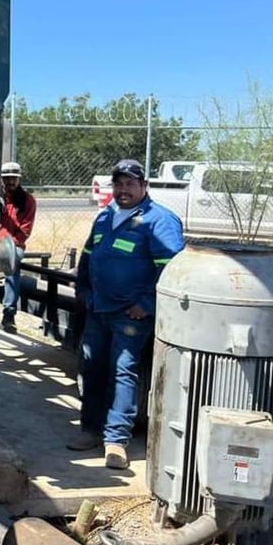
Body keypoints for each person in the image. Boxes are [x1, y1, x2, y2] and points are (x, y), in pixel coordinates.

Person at [68, 159, 184, 469]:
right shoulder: (106, 216)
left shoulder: (159, 220)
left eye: (130, 184)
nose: (123, 189)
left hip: (131, 316)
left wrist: (147, 303)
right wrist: (83, 290)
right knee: (91, 368)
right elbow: (88, 256)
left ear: (144, 186)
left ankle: (116, 441)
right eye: (118, 184)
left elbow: (172, 270)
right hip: (98, 309)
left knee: (122, 371)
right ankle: (90, 430)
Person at [0, 161, 37, 332]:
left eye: (14, 179)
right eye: (7, 178)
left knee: (13, 263)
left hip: (13, 244)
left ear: (19, 180)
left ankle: (9, 314)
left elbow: (25, 229)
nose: (10, 182)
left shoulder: (27, 201)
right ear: (1, 179)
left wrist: (8, 244)